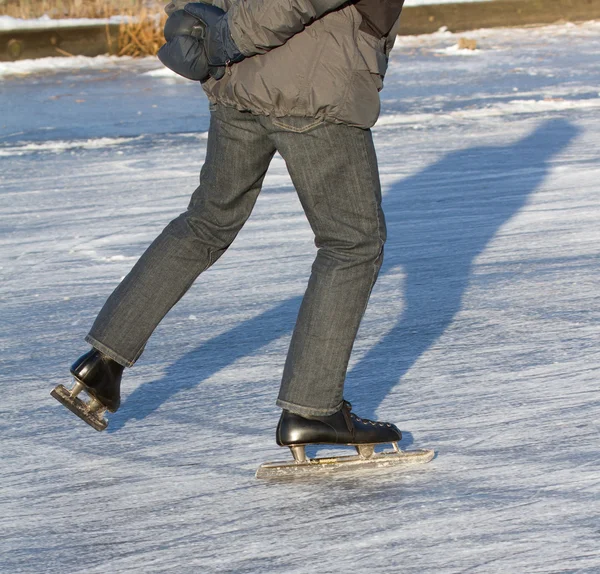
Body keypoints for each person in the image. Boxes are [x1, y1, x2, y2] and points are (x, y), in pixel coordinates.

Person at [63, 0, 406, 459]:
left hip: (239, 83)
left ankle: (104, 361)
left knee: (206, 223)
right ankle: (313, 408)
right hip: (309, 85)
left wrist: (205, 29)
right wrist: (224, 37)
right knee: (352, 244)